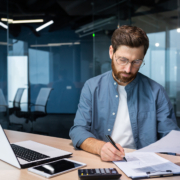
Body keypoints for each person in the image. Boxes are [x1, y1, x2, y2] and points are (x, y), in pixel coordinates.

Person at [69, 25, 180, 162]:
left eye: (136, 62)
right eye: (123, 60)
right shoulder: (92, 87)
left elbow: (170, 137)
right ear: (111, 52)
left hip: (144, 164)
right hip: (102, 161)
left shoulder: (157, 91)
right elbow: (78, 130)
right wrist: (100, 147)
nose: (128, 69)